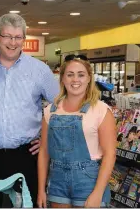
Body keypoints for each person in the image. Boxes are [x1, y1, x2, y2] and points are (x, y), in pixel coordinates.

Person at [0, 13, 59, 207]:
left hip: (27, 156)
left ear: (24, 39)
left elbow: (61, 107)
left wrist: (46, 139)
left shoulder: (39, 70)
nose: (12, 43)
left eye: (18, 37)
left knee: (27, 204)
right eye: (7, 36)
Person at [38, 54, 117, 208]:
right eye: (70, 75)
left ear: (89, 79)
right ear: (62, 79)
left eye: (81, 75)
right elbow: (44, 151)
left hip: (89, 181)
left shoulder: (100, 110)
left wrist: (98, 192)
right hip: (57, 180)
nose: (75, 80)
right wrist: (41, 189)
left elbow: (110, 154)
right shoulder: (50, 110)